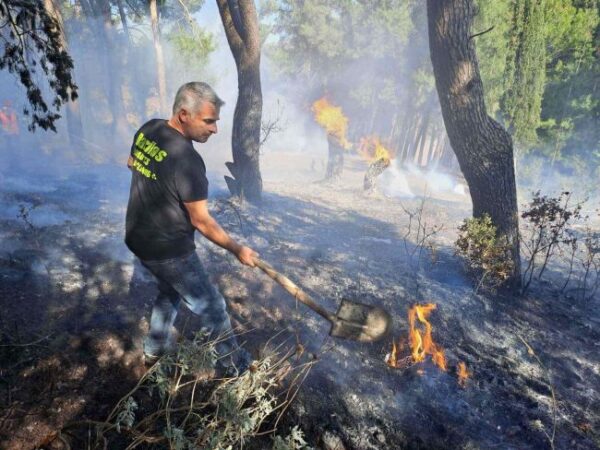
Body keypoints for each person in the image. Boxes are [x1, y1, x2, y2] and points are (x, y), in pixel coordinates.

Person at [125, 82, 257, 374]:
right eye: (209, 121)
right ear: (184, 115)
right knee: (213, 308)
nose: (214, 129)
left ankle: (153, 350)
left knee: (170, 291)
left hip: (137, 238)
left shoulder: (149, 129)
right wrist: (238, 249)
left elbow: (132, 163)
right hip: (169, 250)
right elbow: (201, 220)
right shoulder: (188, 162)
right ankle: (235, 368)